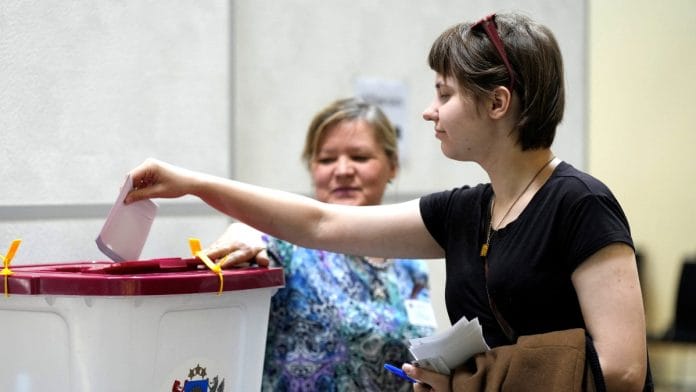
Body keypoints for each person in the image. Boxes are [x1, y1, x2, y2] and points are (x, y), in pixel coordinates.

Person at [125, 12, 651, 392]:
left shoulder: (579, 203)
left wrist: (473, 381)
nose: (429, 111)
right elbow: (322, 223)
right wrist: (193, 182)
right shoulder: (465, 211)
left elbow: (623, 371)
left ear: (497, 103)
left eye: (444, 94)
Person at [201, 97, 437, 391]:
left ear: (393, 166)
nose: (342, 170)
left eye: (359, 157)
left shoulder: (410, 261)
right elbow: (254, 243)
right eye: (326, 160)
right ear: (312, 168)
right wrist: (246, 230)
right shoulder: (288, 246)